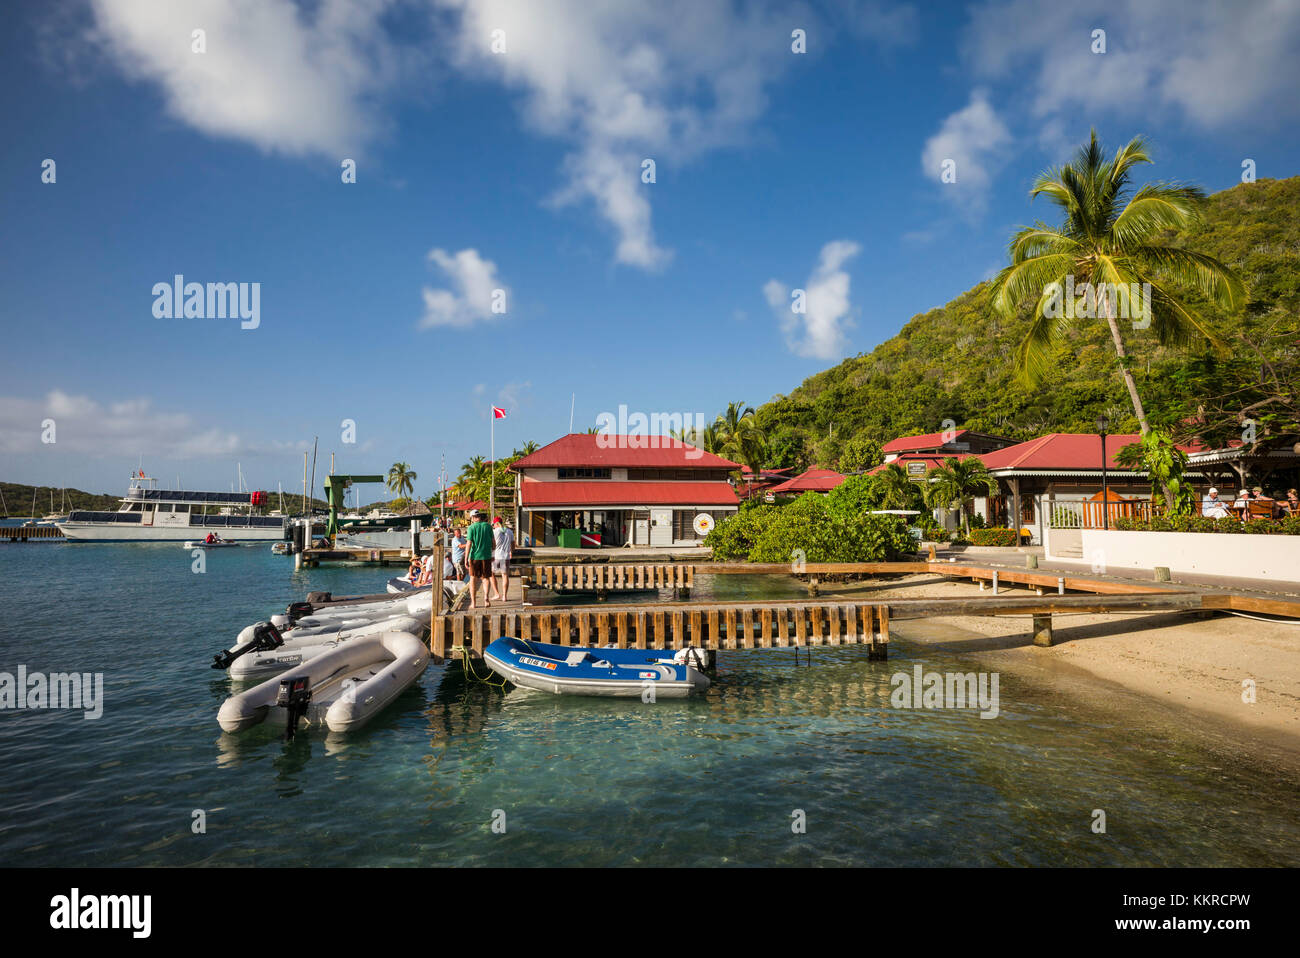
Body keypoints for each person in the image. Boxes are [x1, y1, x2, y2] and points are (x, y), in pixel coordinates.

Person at [464, 511, 497, 608]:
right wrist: (492, 552)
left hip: (474, 557)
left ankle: (473, 603)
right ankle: (486, 598)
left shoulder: (471, 528)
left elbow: (469, 543)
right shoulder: (488, 526)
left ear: (473, 518)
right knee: (485, 578)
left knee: (473, 579)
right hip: (486, 556)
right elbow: (494, 543)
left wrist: (466, 558)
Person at [492, 516, 515, 601]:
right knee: (505, 575)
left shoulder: (494, 532)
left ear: (496, 524)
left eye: (493, 524)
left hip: (496, 556)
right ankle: (504, 596)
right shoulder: (509, 531)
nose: (493, 526)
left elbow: (491, 544)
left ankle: (496, 593)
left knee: (491, 573)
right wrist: (511, 551)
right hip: (506, 557)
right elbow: (513, 544)